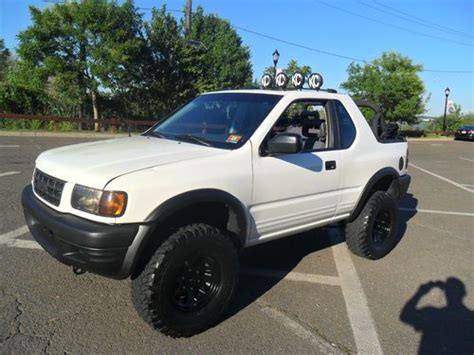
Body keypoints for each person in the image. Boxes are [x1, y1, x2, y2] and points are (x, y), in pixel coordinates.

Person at [400, 278, 474, 354]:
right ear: (463, 293)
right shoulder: (470, 318)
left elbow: (406, 315)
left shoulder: (434, 315)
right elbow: (405, 316)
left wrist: (420, 293)